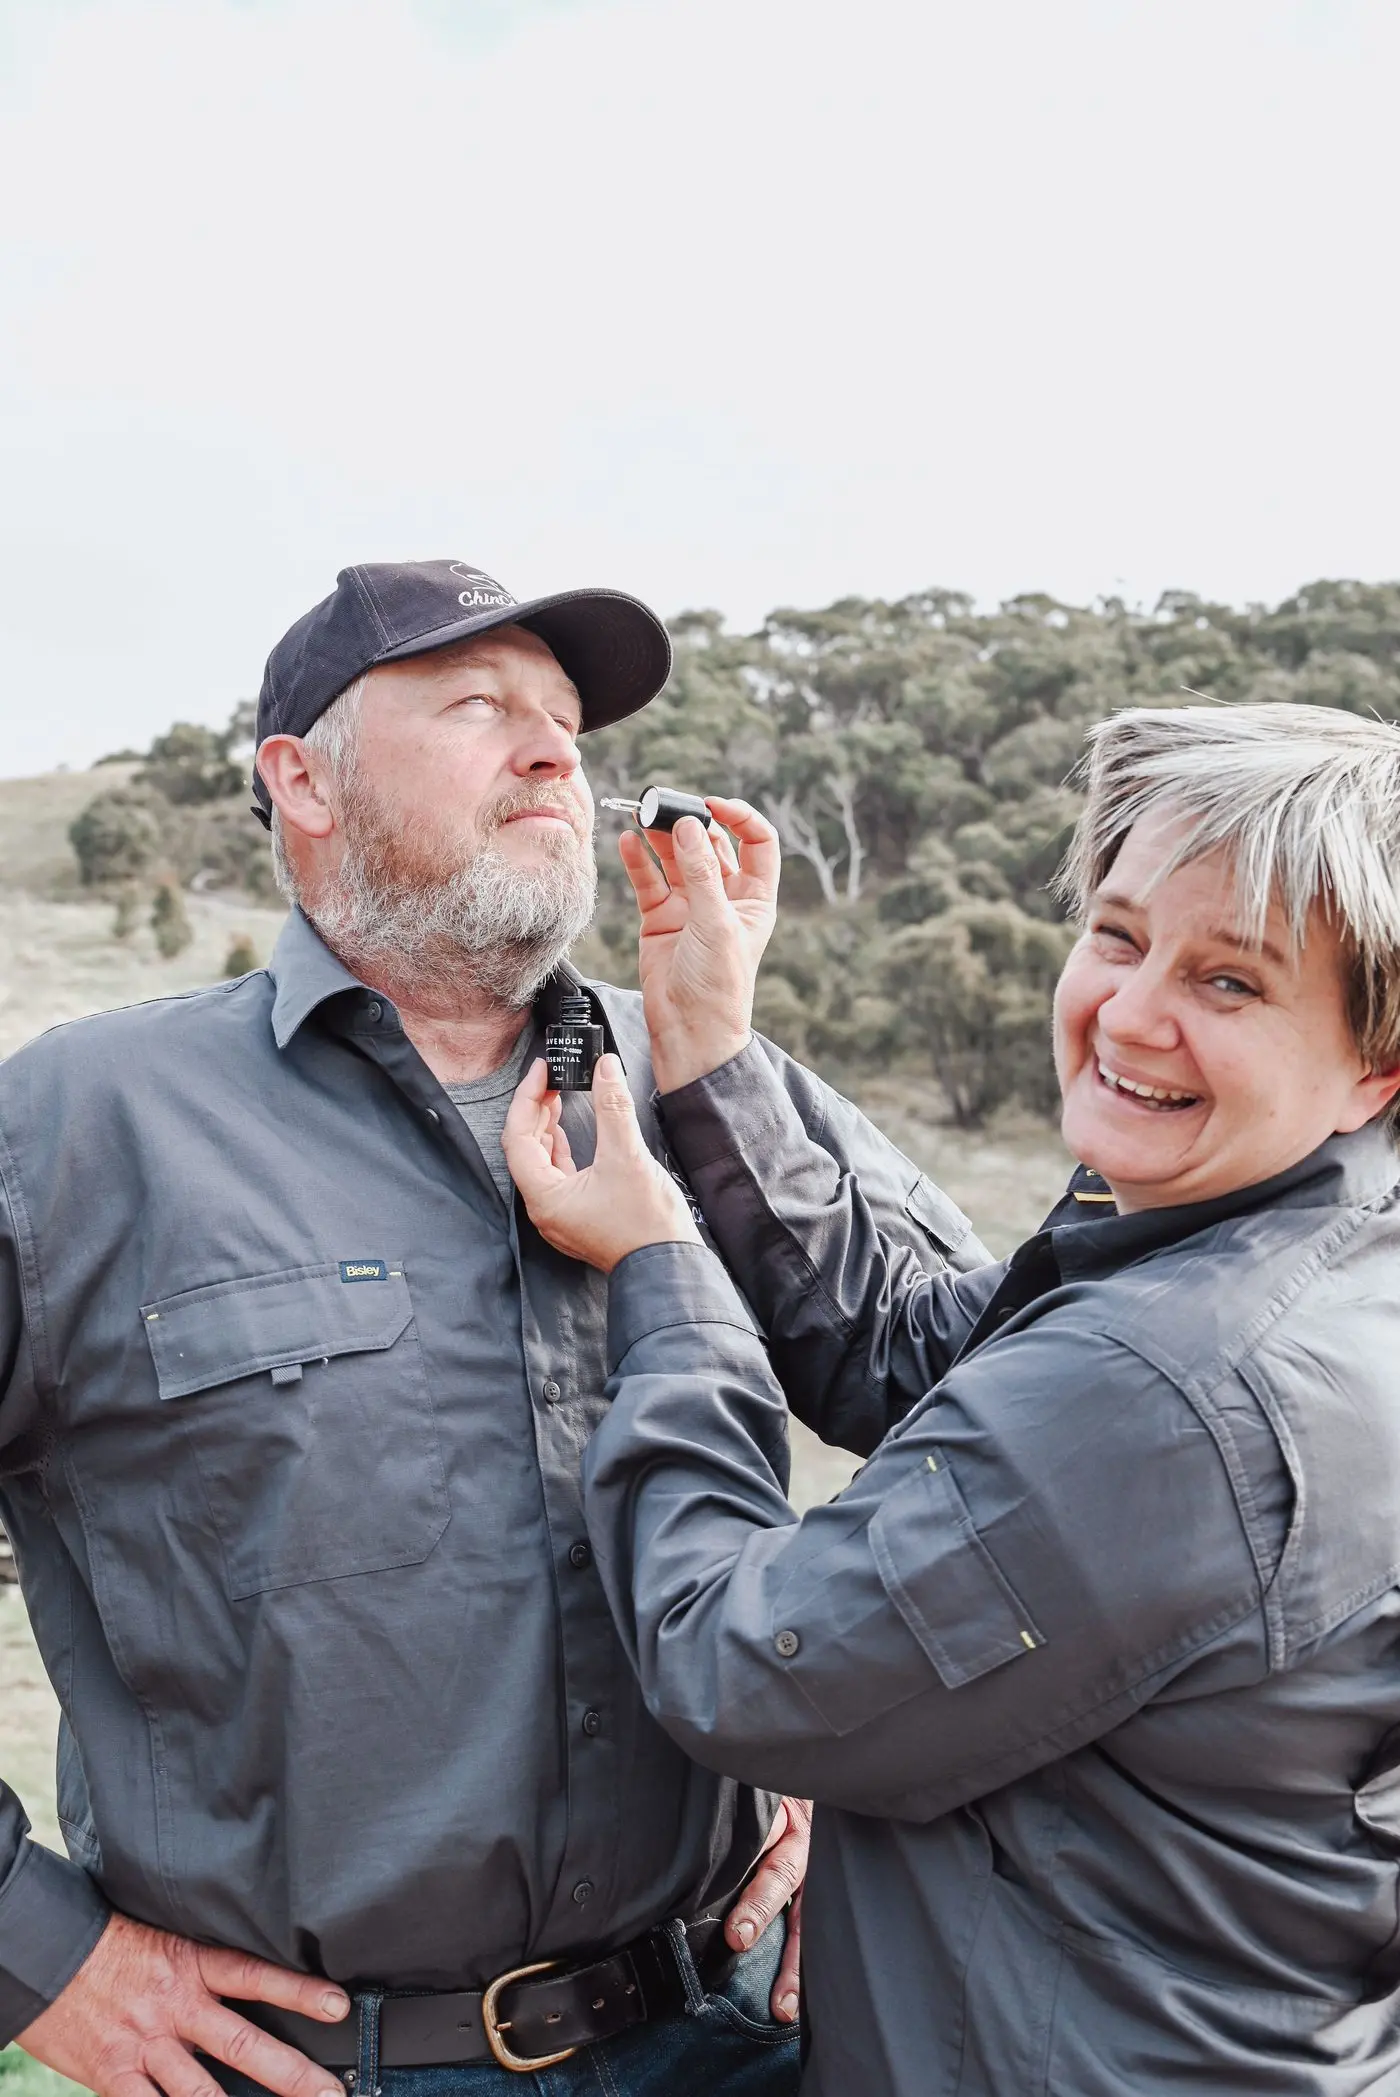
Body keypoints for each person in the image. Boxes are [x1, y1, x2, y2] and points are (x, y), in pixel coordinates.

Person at [0, 560, 984, 2097]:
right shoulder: (71, 1128)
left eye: (567, 724)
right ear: (299, 782)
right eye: (480, 708)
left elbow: (978, 1411)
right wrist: (36, 1955)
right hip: (313, 2071)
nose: (552, 755)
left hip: (745, 2035)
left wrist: (845, 1771)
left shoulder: (711, 1073)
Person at [503, 702, 1400, 2095]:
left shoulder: (1174, 1388)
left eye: (1233, 983)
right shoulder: (1276, 1225)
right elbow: (908, 1355)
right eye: (1118, 933)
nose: (1134, 1011)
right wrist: (712, 1059)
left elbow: (744, 1664)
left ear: (1376, 1065)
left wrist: (660, 1272)